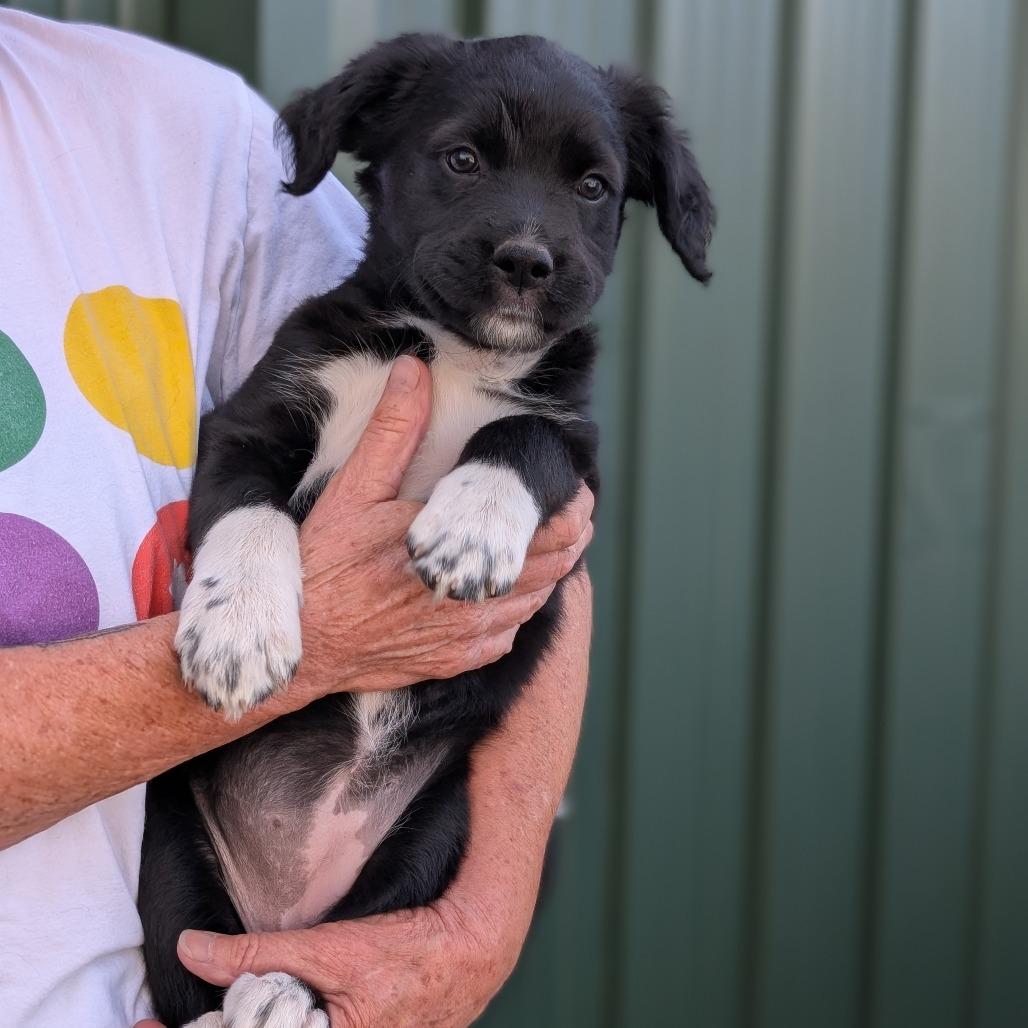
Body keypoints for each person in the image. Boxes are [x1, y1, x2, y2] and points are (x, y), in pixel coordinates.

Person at [0, 10, 593, 1027]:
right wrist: (313, 633)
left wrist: (476, 928)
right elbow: (254, 454)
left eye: (588, 186)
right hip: (199, 897)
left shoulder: (185, 131)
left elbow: (551, 555)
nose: (528, 236)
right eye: (462, 159)